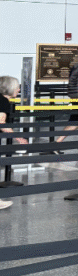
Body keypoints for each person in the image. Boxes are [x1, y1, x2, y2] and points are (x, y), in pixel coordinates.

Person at [0, 76, 22, 210]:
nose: (18, 90)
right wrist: (18, 137)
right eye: (17, 87)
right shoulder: (3, 102)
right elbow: (1, 122)